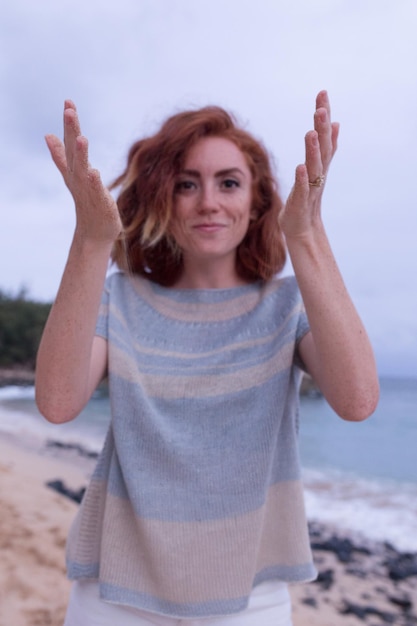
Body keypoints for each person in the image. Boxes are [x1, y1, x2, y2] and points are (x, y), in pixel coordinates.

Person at [35, 91, 379, 626]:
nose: (209, 202)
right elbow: (57, 403)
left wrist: (307, 234)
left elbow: (357, 400)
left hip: (251, 594)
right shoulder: (117, 298)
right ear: (160, 197)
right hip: (115, 591)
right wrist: (91, 238)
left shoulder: (287, 305)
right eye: (186, 184)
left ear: (257, 201)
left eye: (229, 182)